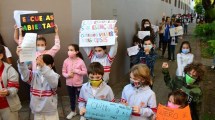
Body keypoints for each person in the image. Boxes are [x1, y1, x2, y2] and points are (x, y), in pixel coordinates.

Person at [17, 47, 60, 120]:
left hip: (50, 110)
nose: (40, 65)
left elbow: (53, 83)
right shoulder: (34, 75)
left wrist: (43, 67)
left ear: (52, 65)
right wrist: (21, 61)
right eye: (39, 63)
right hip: (37, 110)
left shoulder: (54, 75)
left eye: (44, 63)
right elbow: (25, 76)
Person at [62, 44, 87, 119]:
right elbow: (63, 72)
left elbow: (85, 72)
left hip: (78, 84)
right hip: (69, 84)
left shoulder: (80, 61)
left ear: (76, 51)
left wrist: (77, 71)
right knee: (71, 98)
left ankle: (83, 114)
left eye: (71, 50)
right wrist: (67, 75)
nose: (69, 51)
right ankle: (73, 111)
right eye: (68, 50)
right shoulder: (66, 61)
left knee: (81, 99)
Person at [0, 45, 21, 120]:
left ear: (1, 56)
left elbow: (14, 88)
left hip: (8, 107)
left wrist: (8, 91)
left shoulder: (9, 70)